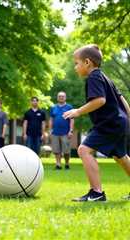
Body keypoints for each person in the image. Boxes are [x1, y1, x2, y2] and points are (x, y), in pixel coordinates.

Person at [63, 44, 130, 202]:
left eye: (76, 63)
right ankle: (97, 192)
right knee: (121, 157)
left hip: (110, 124)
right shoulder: (106, 78)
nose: (75, 67)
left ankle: (97, 192)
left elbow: (100, 100)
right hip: (119, 123)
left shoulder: (93, 77)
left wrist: (78, 111)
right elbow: (122, 99)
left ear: (87, 62)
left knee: (83, 150)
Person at [49, 92, 74, 170]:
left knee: (66, 151)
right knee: (56, 150)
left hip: (65, 132)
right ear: (57, 98)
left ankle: (67, 163)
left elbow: (72, 120)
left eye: (62, 96)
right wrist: (50, 129)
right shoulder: (54, 107)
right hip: (55, 132)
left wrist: (71, 130)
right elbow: (51, 119)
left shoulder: (69, 107)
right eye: (59, 96)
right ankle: (58, 164)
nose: (61, 98)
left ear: (65, 98)